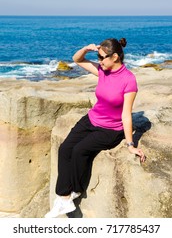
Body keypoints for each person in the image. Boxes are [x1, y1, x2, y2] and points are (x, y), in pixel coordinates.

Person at [45, 38, 146, 218]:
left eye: (101, 58)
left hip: (110, 129)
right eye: (98, 57)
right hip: (91, 120)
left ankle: (75, 190)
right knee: (65, 149)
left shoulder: (129, 80)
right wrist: (86, 48)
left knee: (79, 151)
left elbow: (126, 114)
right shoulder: (102, 70)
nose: (99, 61)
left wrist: (130, 144)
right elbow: (77, 59)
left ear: (115, 57)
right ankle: (64, 198)